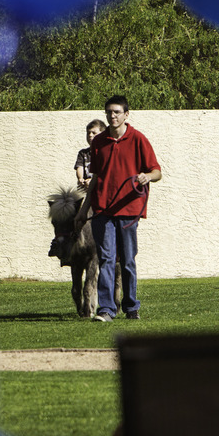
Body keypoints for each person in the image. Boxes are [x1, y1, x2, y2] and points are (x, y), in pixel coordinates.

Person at [74, 95, 161, 322]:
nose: (112, 116)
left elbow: (157, 172)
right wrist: (84, 210)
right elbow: (95, 179)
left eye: (116, 112)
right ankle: (106, 310)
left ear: (126, 114)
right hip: (103, 211)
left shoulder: (138, 139)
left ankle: (131, 308)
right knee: (106, 258)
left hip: (129, 210)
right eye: (109, 112)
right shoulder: (99, 142)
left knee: (128, 260)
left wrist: (146, 176)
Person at [75, 119, 107, 190]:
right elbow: (79, 167)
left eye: (94, 133)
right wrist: (81, 179)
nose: (90, 135)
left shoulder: (106, 152)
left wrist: (93, 181)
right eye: (88, 133)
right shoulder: (83, 153)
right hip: (86, 187)